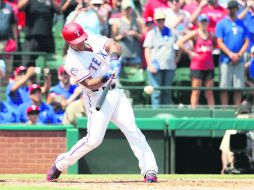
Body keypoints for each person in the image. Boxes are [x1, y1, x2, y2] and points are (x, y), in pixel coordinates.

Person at [47, 22, 158, 183]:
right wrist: (106, 76)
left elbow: (114, 45)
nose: (82, 41)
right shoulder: (71, 61)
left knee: (132, 129)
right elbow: (90, 84)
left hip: (116, 92)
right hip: (96, 96)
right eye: (77, 41)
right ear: (69, 43)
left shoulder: (92, 39)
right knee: (93, 140)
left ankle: (150, 170)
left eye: (82, 38)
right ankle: (60, 164)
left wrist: (114, 60)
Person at [215, 0, 249, 107]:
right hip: (226, 59)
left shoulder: (242, 24)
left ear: (237, 9)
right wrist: (230, 54)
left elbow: (246, 41)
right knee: (224, 87)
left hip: (239, 60)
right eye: (229, 8)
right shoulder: (222, 23)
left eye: (233, 8)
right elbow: (219, 41)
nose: (231, 10)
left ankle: (237, 110)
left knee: (238, 87)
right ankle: (225, 111)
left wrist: (239, 54)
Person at [177, 14, 215, 108]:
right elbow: (180, 42)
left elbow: (213, 45)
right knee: (196, 91)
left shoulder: (211, 34)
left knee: (209, 92)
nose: (204, 23)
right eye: (202, 21)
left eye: (205, 21)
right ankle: (194, 112)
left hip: (209, 66)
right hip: (197, 66)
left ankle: (213, 113)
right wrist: (190, 53)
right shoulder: (195, 33)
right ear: (198, 23)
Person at [143, 10, 179, 106]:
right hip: (155, 66)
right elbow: (147, 50)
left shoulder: (172, 32)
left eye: (162, 19)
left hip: (169, 66)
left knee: (167, 91)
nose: (160, 22)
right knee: (156, 92)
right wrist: (150, 65)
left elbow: (180, 45)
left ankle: (166, 113)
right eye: (158, 20)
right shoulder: (151, 33)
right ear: (155, 21)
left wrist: (177, 58)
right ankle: (156, 114)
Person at [18, 0, 61, 67]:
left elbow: (59, 11)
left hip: (47, 37)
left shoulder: (50, 2)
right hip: (31, 38)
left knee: (50, 65)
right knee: (27, 64)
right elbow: (20, 7)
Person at [111, 0, 142, 67]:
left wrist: (135, 34)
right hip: (122, 54)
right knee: (121, 76)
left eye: (129, 8)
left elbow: (141, 37)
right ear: (122, 10)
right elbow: (113, 38)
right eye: (126, 9)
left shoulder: (137, 21)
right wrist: (121, 36)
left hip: (134, 54)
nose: (127, 11)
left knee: (135, 76)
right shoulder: (117, 22)